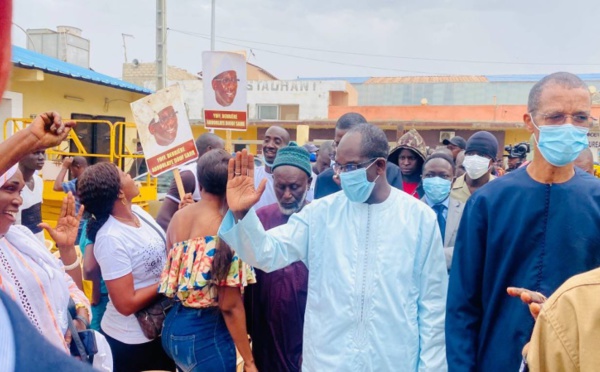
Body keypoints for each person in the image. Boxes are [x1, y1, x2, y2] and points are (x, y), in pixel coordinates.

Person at [219, 123, 448, 370]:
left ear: (379, 166)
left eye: (350, 167)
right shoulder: (320, 214)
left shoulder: (419, 219)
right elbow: (266, 253)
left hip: (392, 360)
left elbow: (432, 307)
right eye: (337, 166)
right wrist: (242, 212)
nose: (339, 175)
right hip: (328, 360)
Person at [446, 72, 600, 372]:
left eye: (580, 117)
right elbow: (463, 306)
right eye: (555, 117)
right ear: (529, 122)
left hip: (574, 361)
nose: (568, 127)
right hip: (497, 358)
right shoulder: (488, 202)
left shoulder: (597, 200)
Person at [159, 149, 257, 372]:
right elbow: (229, 305)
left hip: (174, 326)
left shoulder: (178, 217)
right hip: (205, 335)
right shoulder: (229, 231)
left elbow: (177, 270)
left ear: (199, 183)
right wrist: (249, 361)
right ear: (230, 184)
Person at [78, 162, 174, 372]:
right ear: (120, 192)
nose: (130, 175)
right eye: (124, 174)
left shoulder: (139, 213)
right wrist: (168, 282)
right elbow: (125, 304)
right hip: (130, 341)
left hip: (160, 327)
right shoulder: (111, 237)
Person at [0, 165, 91, 355]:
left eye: (20, 191)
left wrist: (66, 249)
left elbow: (70, 288)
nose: (19, 200)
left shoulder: (23, 237)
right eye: (9, 188)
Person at [245, 144, 311, 372]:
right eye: (280, 187)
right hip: (265, 331)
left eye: (294, 187)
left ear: (309, 184)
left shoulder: (320, 221)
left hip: (305, 334)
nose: (287, 195)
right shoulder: (260, 219)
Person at [314, 113, 403, 199]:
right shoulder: (324, 179)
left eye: (349, 143)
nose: (341, 149)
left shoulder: (391, 172)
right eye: (338, 143)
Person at [156, 132, 225, 230]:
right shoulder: (188, 176)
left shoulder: (220, 176)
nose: (225, 155)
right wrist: (184, 240)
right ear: (209, 150)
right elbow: (163, 219)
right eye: (222, 150)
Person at [421, 153, 465, 271]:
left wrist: (427, 257)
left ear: (453, 180)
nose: (436, 180)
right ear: (422, 178)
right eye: (430, 175)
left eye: (443, 176)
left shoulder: (465, 211)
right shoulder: (409, 212)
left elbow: (468, 249)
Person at [450, 131, 498, 203]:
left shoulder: (499, 189)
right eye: (470, 154)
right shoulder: (451, 186)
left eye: (481, 155)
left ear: (493, 161)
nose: (474, 158)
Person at [253, 126, 291, 210]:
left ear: (287, 148)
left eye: (277, 142)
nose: (270, 145)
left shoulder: (291, 180)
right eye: (266, 140)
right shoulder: (252, 175)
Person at [54, 156, 88, 240]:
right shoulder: (93, 177)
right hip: (89, 223)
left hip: (79, 225)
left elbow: (56, 186)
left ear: (78, 167)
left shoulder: (77, 182)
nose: (71, 173)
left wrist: (64, 167)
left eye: (71, 169)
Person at [16, 149, 46, 243]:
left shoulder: (39, 181)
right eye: (36, 153)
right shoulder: (10, 186)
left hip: (39, 244)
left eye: (43, 153)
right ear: (21, 156)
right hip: (18, 246)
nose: (41, 157)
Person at [388, 129, 427, 198]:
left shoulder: (426, 188)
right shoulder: (389, 184)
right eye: (402, 158)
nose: (406, 163)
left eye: (411, 158)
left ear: (420, 160)